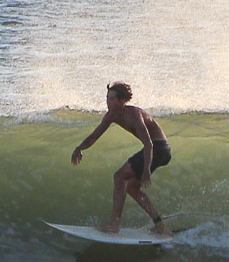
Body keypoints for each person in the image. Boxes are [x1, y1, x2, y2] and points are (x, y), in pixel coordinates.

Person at [70, 82, 172, 233]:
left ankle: (114, 224)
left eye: (111, 99)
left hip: (158, 148)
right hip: (155, 149)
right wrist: (80, 147)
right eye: (107, 98)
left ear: (122, 100)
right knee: (132, 187)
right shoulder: (111, 115)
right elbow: (94, 137)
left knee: (119, 177)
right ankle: (160, 225)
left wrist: (146, 171)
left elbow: (149, 144)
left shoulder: (135, 115)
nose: (107, 102)